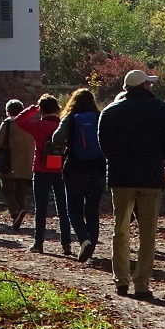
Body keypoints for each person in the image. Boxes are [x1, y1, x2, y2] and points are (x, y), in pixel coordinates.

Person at [97, 69, 165, 299]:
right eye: (149, 84)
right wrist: (161, 158)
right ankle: (141, 283)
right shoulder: (161, 110)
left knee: (120, 229)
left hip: (120, 177)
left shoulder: (110, 112)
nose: (151, 87)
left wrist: (117, 159)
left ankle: (121, 280)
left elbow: (103, 144)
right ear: (144, 86)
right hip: (150, 176)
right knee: (148, 233)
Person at [49, 88, 107, 263]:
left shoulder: (70, 118)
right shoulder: (100, 117)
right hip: (97, 168)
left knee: (73, 210)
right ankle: (91, 247)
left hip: (74, 168)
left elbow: (56, 138)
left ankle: (84, 240)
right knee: (92, 210)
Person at [16, 94, 73, 254]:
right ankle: (66, 244)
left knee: (40, 208)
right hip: (61, 169)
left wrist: (32, 108)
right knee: (63, 208)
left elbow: (19, 121)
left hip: (41, 169)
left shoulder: (38, 126)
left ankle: (38, 242)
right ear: (56, 108)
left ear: (41, 110)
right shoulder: (64, 125)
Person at [0, 99, 35, 230]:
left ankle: (15, 212)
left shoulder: (8, 123)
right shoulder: (30, 123)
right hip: (27, 161)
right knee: (20, 192)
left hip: (10, 161)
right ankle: (20, 213)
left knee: (6, 189)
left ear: (8, 111)